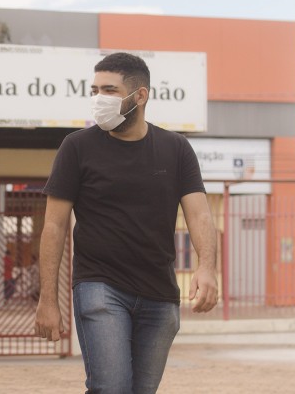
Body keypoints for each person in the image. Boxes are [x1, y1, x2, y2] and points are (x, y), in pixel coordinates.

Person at [34, 52, 218, 394]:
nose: (98, 99)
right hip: (99, 286)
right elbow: (54, 226)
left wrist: (206, 267)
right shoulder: (77, 147)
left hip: (160, 294)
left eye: (109, 90)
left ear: (140, 95)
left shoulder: (176, 148)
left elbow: (200, 213)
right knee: (112, 387)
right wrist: (48, 298)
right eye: (94, 90)